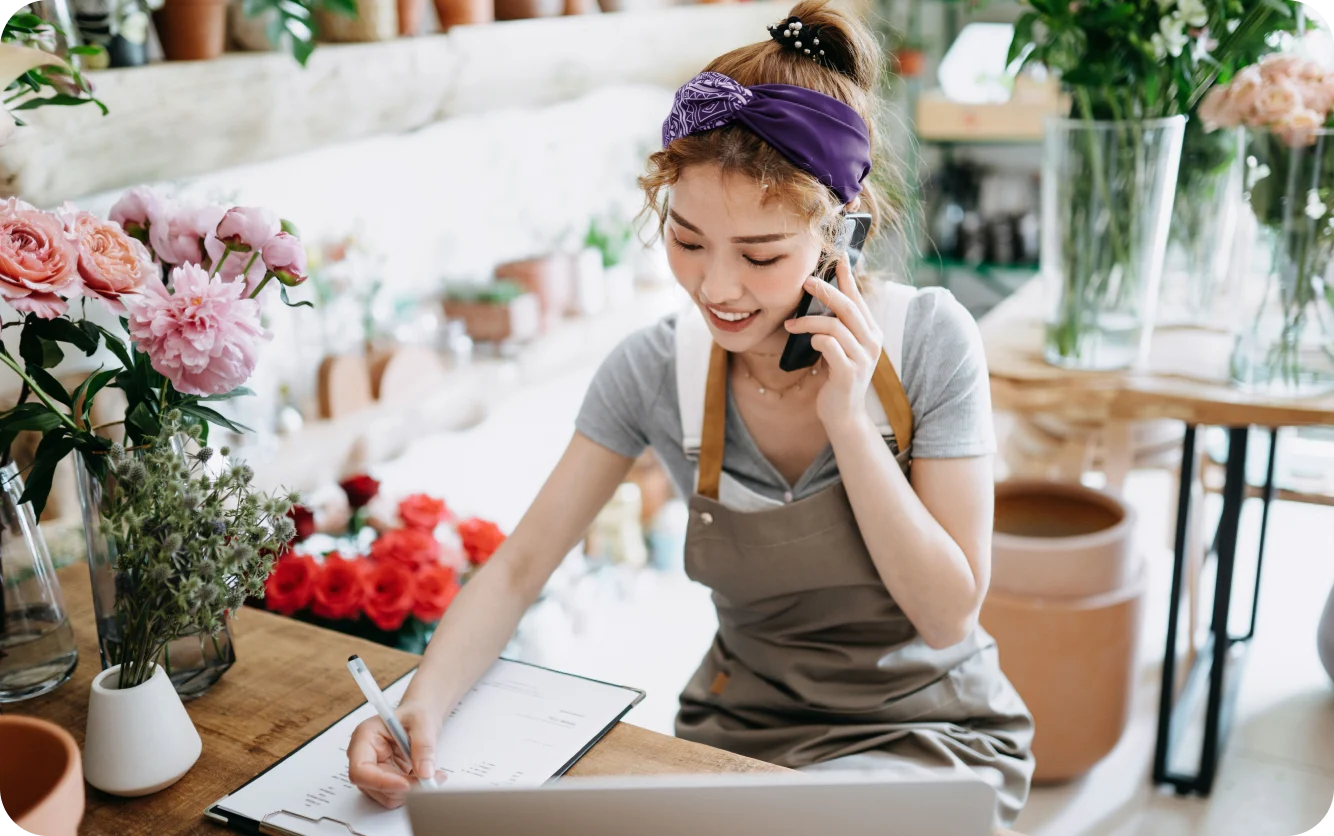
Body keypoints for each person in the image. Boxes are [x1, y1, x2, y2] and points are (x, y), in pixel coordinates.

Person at [346, 0, 1035, 826]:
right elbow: (522, 566)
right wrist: (420, 705)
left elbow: (947, 612)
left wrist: (852, 424)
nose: (716, 287)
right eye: (687, 237)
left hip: (927, 737)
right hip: (741, 742)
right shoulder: (651, 371)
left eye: (761, 255)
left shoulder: (929, 342)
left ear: (837, 236)